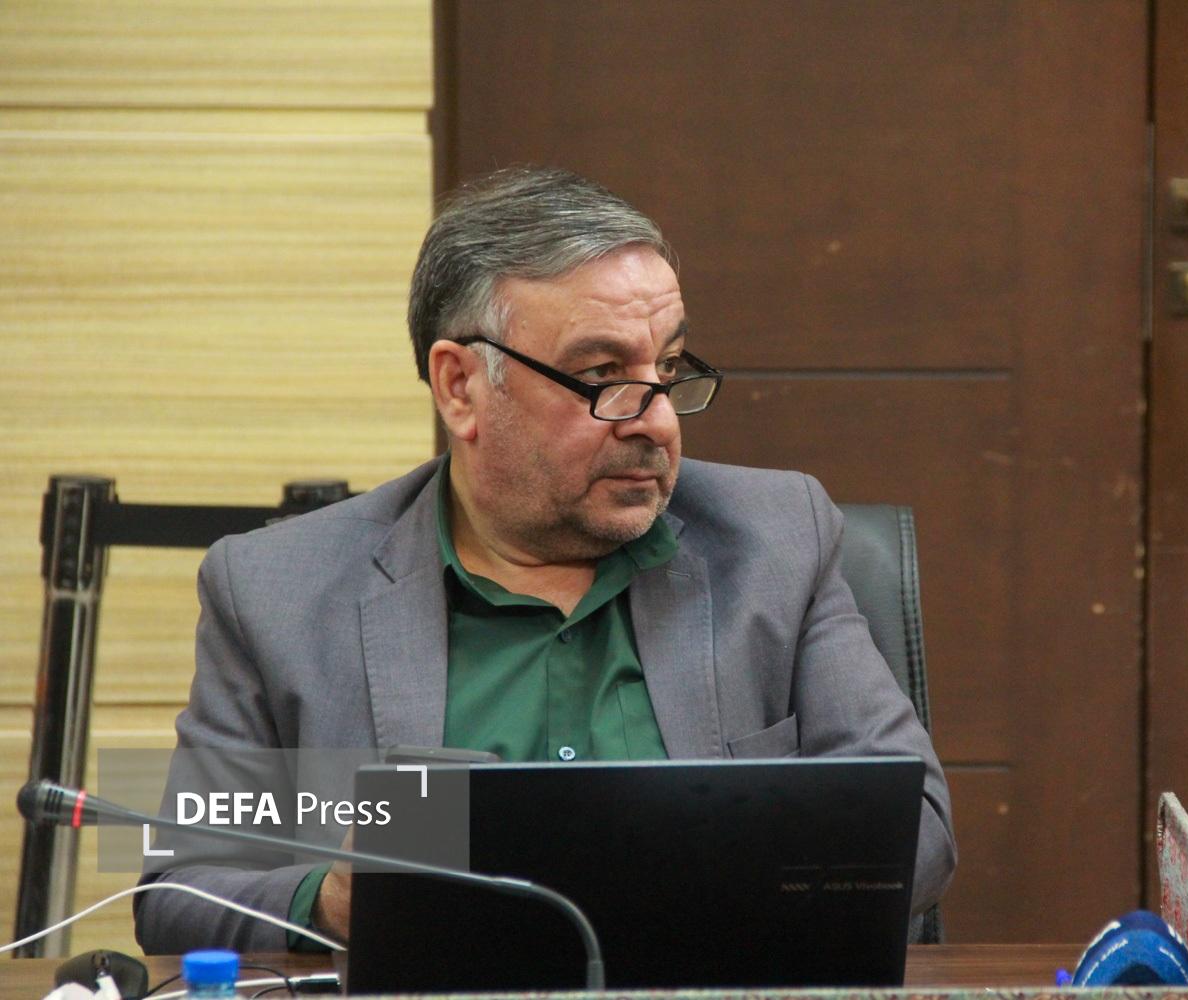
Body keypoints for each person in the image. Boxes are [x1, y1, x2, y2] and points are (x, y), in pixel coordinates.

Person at [135, 166, 956, 953]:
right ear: (460, 387)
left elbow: (917, 828)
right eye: (602, 375)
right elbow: (180, 889)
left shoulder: (776, 541)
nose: (658, 422)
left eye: (668, 369)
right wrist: (334, 900)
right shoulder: (278, 592)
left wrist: (678, 887)